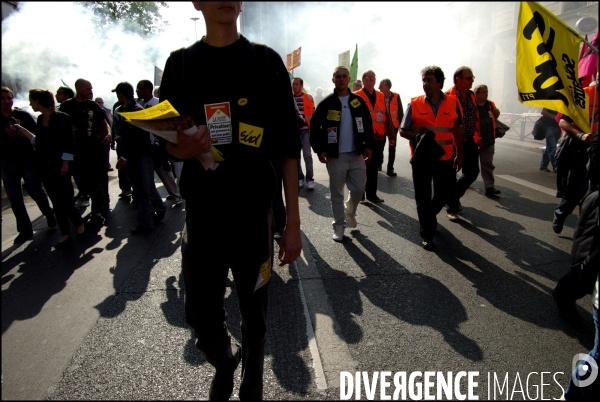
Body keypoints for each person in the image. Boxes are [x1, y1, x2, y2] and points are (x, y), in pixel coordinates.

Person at [159, 2, 302, 399]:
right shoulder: (181, 65)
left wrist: (292, 225)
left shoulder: (265, 61)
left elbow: (288, 148)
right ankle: (224, 360)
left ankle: (251, 384)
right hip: (203, 217)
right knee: (200, 319)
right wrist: (185, 151)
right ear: (196, 3)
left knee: (254, 314)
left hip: (256, 217)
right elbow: (168, 144)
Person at [9, 89, 84, 248]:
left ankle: (79, 223)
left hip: (60, 166)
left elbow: (68, 143)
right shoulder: (40, 120)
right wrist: (21, 130)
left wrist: (65, 163)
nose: (30, 103)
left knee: (67, 200)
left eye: (32, 100)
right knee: (56, 202)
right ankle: (65, 233)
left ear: (38, 101)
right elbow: (39, 142)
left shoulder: (62, 118)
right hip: (45, 167)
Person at [400, 66, 463, 251]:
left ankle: (429, 217)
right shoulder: (415, 103)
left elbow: (457, 131)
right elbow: (403, 130)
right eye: (424, 80)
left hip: (446, 158)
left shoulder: (452, 102)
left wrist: (460, 155)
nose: (425, 84)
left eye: (429, 80)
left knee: (445, 192)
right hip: (422, 159)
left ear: (440, 83)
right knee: (423, 197)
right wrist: (419, 137)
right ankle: (427, 234)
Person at [310, 66, 374, 242]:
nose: (341, 79)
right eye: (337, 77)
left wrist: (369, 145)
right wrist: (320, 150)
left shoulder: (358, 102)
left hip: (356, 154)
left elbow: (367, 124)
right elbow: (314, 127)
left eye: (344, 76)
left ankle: (349, 211)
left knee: (359, 189)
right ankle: (339, 226)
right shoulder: (326, 103)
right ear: (333, 80)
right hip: (335, 156)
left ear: (349, 79)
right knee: (336, 193)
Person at [1, 86, 55, 243]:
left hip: (26, 160)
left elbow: (37, 137)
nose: (6, 101)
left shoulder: (22, 115)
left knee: (35, 191)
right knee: (14, 198)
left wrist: (20, 135)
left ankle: (49, 214)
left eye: (9, 98)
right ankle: (25, 230)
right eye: (3, 98)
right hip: (6, 163)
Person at [113, 82, 167, 235]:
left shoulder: (138, 111)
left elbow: (137, 139)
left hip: (142, 156)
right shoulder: (122, 111)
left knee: (148, 188)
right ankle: (145, 223)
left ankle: (161, 209)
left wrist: (123, 156)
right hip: (132, 157)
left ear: (121, 95)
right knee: (138, 191)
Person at [59, 79, 111, 226]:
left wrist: (97, 139)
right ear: (79, 88)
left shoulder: (93, 105)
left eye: (91, 88)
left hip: (93, 152)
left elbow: (104, 126)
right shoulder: (67, 106)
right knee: (80, 182)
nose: (90, 91)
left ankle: (98, 211)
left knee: (97, 182)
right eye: (87, 88)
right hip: (74, 153)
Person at [552, 80, 599, 234]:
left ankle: (587, 228)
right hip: (579, 146)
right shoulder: (582, 94)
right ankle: (560, 214)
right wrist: (581, 135)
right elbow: (563, 122)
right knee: (578, 189)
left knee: (595, 191)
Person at [136, 79, 184, 207]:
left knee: (165, 171)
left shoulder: (159, 104)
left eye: (139, 88)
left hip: (160, 146)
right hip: (145, 147)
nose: (137, 91)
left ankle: (176, 196)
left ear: (147, 89)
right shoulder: (138, 105)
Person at [354, 70, 394, 202]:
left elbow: (386, 116)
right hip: (364, 136)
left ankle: (371, 194)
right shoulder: (356, 95)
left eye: (373, 77)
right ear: (363, 80)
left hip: (379, 135)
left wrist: (391, 135)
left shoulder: (381, 95)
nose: (371, 79)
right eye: (368, 77)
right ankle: (361, 192)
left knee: (374, 165)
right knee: (362, 165)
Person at [446, 66, 478, 214]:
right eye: (469, 78)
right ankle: (452, 208)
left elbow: (477, 118)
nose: (472, 81)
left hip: (470, 139)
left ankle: (453, 197)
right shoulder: (447, 96)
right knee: (451, 175)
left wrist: (479, 136)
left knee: (472, 172)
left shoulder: (472, 96)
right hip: (453, 141)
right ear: (458, 80)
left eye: (472, 78)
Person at [473, 84, 502, 196]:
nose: (486, 94)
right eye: (483, 92)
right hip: (474, 141)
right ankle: (466, 180)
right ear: (476, 93)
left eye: (487, 92)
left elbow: (494, 117)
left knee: (487, 163)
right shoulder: (471, 105)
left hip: (488, 140)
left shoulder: (490, 104)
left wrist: (497, 113)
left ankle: (489, 187)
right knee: (471, 166)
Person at [378, 78, 404, 177]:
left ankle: (390, 169)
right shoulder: (378, 96)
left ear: (388, 87)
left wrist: (402, 125)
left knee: (392, 147)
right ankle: (379, 164)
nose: (379, 87)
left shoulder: (396, 96)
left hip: (393, 126)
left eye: (381, 85)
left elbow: (400, 111)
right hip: (381, 125)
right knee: (380, 146)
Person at [292, 77, 315, 190]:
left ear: (301, 85)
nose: (294, 86)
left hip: (306, 130)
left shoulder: (309, 97)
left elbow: (313, 113)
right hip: (293, 131)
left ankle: (310, 179)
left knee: (307, 155)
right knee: (296, 157)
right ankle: (299, 177)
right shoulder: (288, 97)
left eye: (296, 84)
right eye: (293, 84)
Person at [539, 108, 561, 173]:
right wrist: (555, 117)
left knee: (549, 147)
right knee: (552, 148)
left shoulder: (561, 103)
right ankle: (556, 166)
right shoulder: (550, 100)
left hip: (558, 127)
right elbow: (543, 112)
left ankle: (543, 165)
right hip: (549, 127)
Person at [95, 97, 114, 172]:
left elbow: (108, 123)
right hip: (97, 137)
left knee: (106, 153)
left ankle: (106, 165)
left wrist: (110, 135)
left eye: (102, 102)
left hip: (104, 136)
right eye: (99, 103)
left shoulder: (104, 111)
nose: (101, 104)